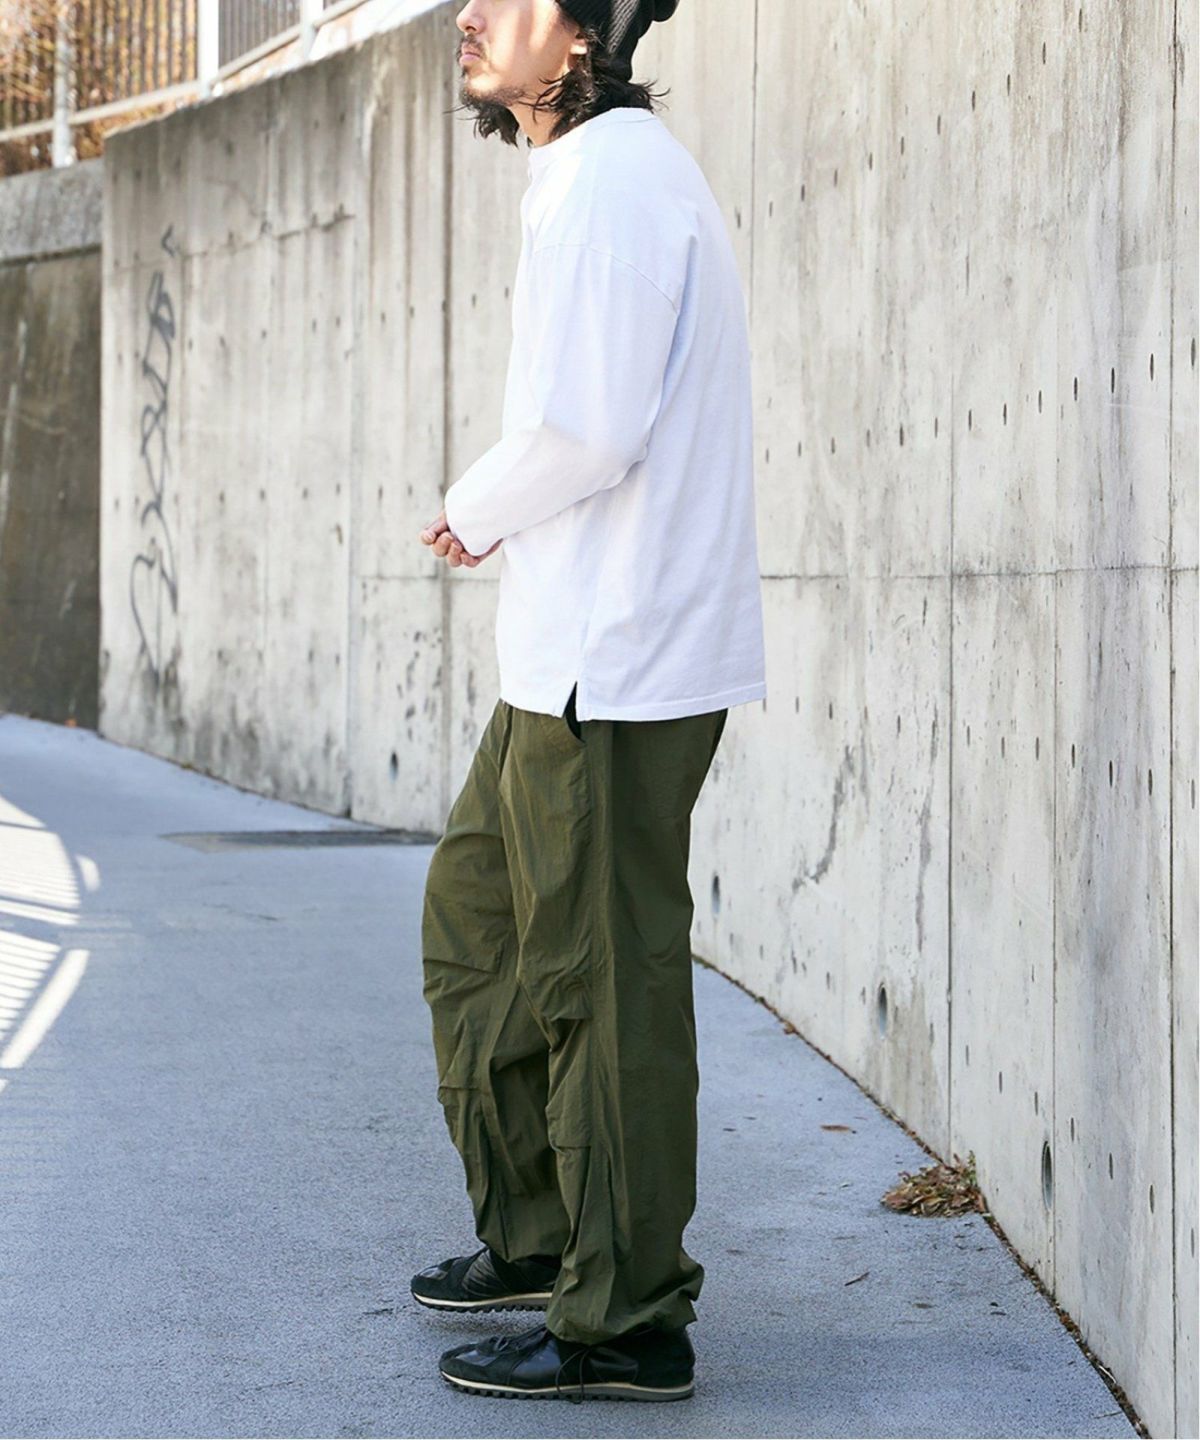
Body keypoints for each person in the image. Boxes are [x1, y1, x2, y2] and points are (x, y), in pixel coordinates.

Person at [414, 0, 766, 1404]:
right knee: (480, 931)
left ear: (585, 38)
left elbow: (591, 427)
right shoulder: (584, 176)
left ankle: (624, 1317)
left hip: (618, 665)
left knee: (600, 985)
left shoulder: (617, 181)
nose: (468, 15)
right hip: (564, 656)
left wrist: (474, 505)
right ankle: (544, 1239)